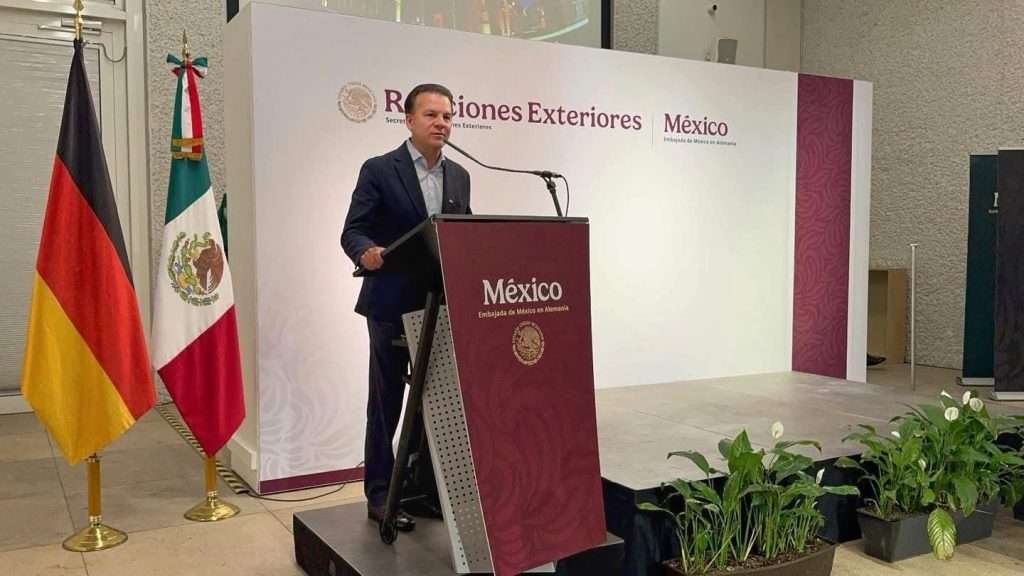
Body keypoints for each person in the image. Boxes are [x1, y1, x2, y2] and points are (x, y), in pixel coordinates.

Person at [341, 83, 471, 532]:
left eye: (447, 116)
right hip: (390, 304)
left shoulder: (459, 175)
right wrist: (365, 252)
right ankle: (381, 494)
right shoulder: (380, 169)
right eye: (432, 115)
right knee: (387, 404)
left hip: (440, 305)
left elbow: (463, 235)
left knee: (436, 402)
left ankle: (422, 490)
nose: (441, 123)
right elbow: (353, 230)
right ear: (409, 120)